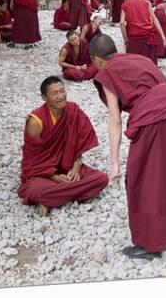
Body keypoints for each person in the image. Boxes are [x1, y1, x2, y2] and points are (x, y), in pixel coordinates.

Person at [89, 34, 166, 260]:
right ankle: (157, 236)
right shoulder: (140, 59)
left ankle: (149, 244)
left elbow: (115, 119)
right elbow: (164, 86)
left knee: (141, 180)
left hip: (153, 119)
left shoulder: (106, 72)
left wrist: (114, 163)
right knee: (162, 179)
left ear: (96, 59)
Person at [17, 76, 109, 216]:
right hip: (43, 172)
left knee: (101, 179)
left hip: (67, 166)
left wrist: (76, 166)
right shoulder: (35, 122)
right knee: (34, 189)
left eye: (62, 91)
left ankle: (51, 198)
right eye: (55, 93)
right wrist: (54, 177)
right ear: (44, 97)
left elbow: (78, 142)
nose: (61, 96)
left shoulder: (72, 110)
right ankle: (65, 193)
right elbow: (32, 159)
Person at [120, 0, 166, 65]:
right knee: (148, 62)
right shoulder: (146, 1)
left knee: (134, 63)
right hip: (148, 35)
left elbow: (121, 23)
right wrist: (162, 35)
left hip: (134, 36)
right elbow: (154, 18)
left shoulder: (125, 5)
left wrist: (125, 38)